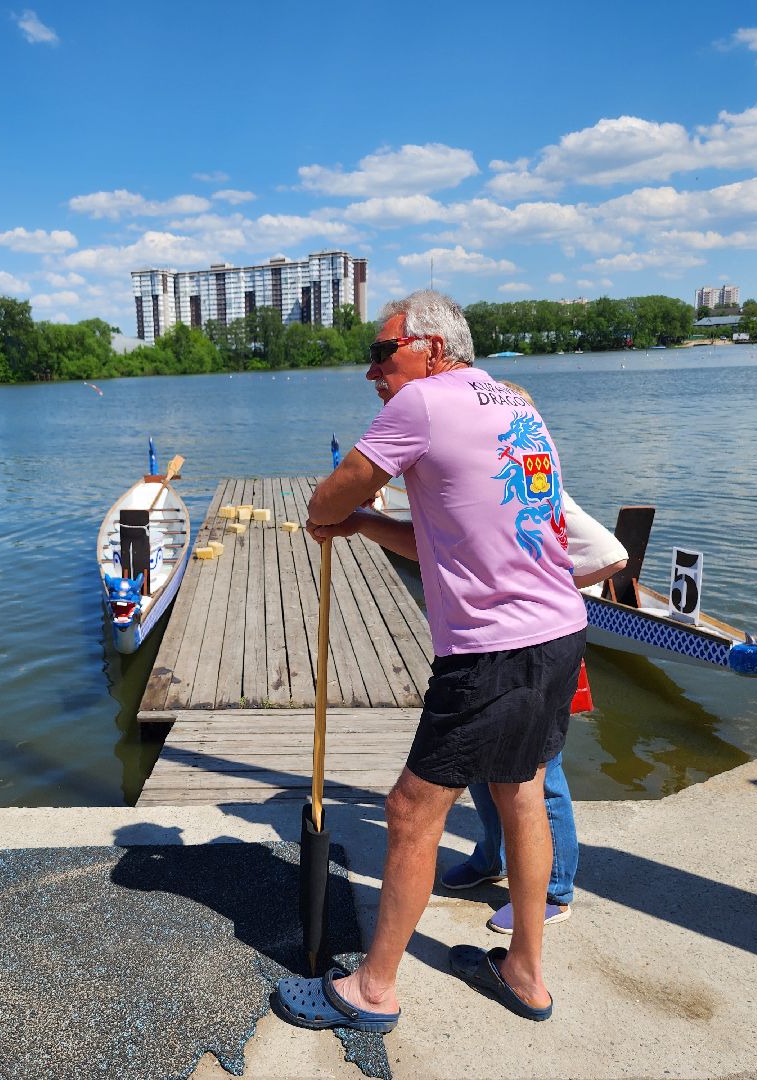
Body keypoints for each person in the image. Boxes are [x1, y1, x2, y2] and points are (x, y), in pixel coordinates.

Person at [274, 291, 587, 1029]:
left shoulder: (421, 406)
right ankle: (526, 971)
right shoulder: (514, 404)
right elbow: (451, 542)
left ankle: (373, 990)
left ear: (433, 350)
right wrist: (367, 527)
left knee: (411, 810)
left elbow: (325, 499)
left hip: (493, 649)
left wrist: (337, 515)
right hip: (559, 630)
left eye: (383, 353)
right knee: (521, 794)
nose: (371, 371)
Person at [440, 379, 627, 935]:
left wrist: (551, 587)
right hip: (494, 647)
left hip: (544, 646)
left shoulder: (544, 493)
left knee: (542, 775)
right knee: (481, 763)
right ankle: (492, 855)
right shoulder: (494, 489)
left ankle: (557, 888)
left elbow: (613, 555)